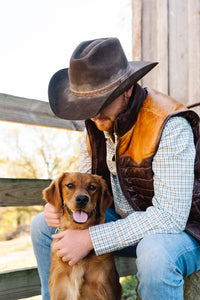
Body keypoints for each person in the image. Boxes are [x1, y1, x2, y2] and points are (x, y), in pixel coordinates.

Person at [31, 37, 200, 300]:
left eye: (101, 101)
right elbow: (81, 182)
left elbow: (171, 217)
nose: (93, 113)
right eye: (86, 105)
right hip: (125, 222)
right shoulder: (97, 124)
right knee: (42, 225)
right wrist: (57, 207)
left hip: (183, 231)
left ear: (127, 89)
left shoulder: (169, 125)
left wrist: (91, 239)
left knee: (155, 254)